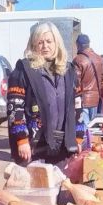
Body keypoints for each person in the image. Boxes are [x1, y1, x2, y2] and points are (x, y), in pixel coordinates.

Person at [7, 22, 80, 164]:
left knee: (61, 183)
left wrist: (78, 137)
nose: (45, 46)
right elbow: (15, 109)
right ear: (33, 45)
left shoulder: (69, 70)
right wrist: (21, 140)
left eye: (49, 41)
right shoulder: (23, 70)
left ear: (57, 43)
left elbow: (77, 106)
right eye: (40, 42)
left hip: (63, 145)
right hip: (34, 146)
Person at [72, 33, 103, 129]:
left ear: (78, 45)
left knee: (84, 128)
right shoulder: (99, 58)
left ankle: (86, 144)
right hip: (96, 98)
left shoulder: (78, 59)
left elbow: (75, 81)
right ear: (88, 44)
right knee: (93, 127)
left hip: (82, 98)